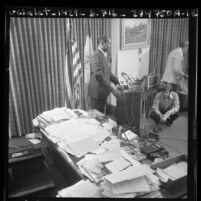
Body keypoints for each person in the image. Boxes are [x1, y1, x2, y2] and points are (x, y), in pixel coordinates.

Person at [88, 35, 121, 113]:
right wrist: (112, 90)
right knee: (97, 119)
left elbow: (108, 73)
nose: (110, 46)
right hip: (97, 95)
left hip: (102, 93)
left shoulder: (102, 54)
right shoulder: (96, 55)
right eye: (109, 44)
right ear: (102, 43)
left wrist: (119, 82)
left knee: (101, 116)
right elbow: (99, 75)